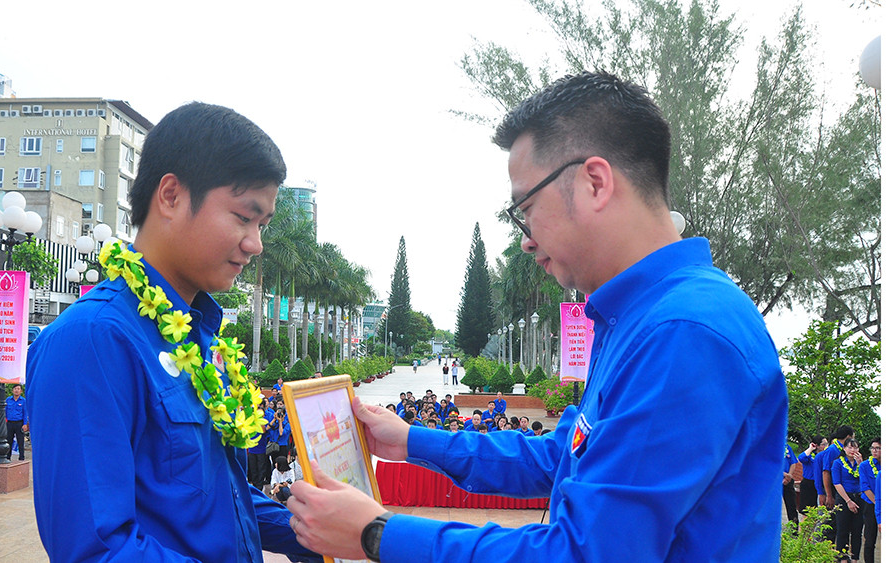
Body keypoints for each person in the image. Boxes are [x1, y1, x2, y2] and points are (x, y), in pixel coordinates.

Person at [286, 71, 787, 562]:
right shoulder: (638, 318)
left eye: (525, 208)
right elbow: (562, 457)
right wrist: (413, 440)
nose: (525, 240)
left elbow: (584, 554)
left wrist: (378, 534)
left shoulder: (682, 332)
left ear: (595, 183)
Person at [26, 102, 319, 562]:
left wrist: (315, 533)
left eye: (262, 225)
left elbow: (216, 496)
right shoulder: (92, 341)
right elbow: (98, 549)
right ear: (170, 196)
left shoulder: (199, 337)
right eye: (244, 217)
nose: (255, 244)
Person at [832, 439, 864, 561]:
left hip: (859, 498)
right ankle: (843, 559)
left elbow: (865, 480)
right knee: (842, 530)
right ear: (844, 449)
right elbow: (837, 483)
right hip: (843, 498)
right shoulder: (837, 463)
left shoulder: (862, 464)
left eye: (855, 447)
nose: (853, 450)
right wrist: (848, 501)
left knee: (857, 531)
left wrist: (861, 464)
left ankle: (855, 559)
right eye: (850, 447)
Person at [860, 438, 880, 563]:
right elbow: (865, 487)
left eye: (878, 448)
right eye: (872, 448)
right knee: (870, 539)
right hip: (871, 504)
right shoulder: (865, 466)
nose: (874, 451)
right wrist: (878, 504)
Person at [797, 436, 827, 512]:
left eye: (827, 444)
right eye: (823, 444)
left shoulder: (825, 456)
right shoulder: (810, 456)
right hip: (809, 484)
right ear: (817, 445)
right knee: (807, 512)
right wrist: (811, 448)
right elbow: (801, 458)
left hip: (821, 483)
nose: (826, 446)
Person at [5, 384, 29, 461]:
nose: (16, 390)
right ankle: (7, 457)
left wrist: (25, 424)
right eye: (15, 389)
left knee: (20, 441)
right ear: (12, 390)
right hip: (10, 423)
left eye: (18, 389)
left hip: (19, 423)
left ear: (21, 391)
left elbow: (25, 413)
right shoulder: (8, 400)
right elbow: (5, 411)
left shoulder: (23, 401)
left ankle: (21, 457)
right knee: (8, 440)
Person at [782, 443, 799, 524]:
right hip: (775, 480)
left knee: (791, 505)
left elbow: (793, 463)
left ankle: (794, 527)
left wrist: (789, 476)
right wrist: (784, 474)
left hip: (788, 480)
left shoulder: (787, 447)